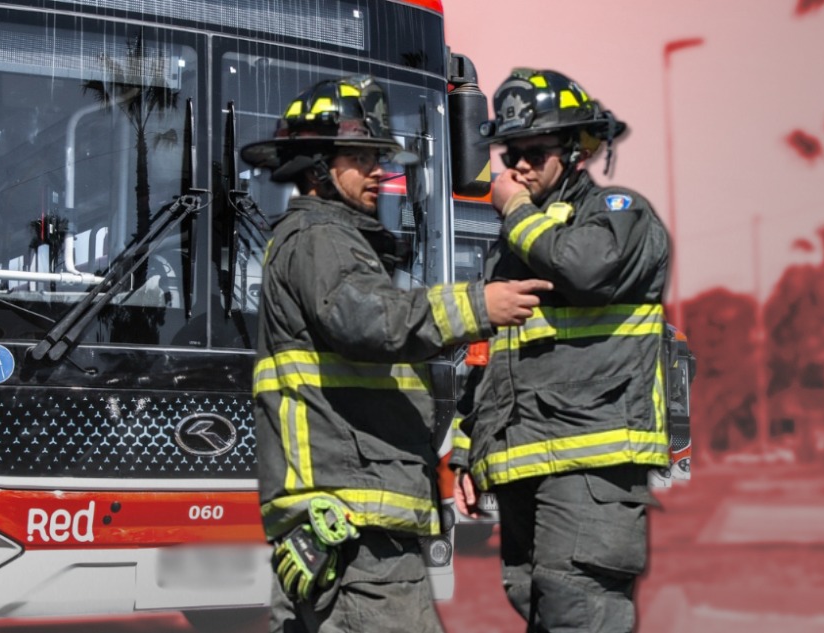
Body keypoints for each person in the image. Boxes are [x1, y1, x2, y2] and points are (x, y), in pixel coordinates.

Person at [240, 74, 553, 633]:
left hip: (334, 528)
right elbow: (369, 320)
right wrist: (480, 306)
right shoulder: (321, 239)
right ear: (316, 167)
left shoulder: (313, 240)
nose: (380, 172)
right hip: (361, 532)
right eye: (361, 157)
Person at [449, 67, 671, 632]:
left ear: (576, 150)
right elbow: (492, 357)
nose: (518, 167)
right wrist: (469, 454)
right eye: (509, 153)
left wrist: (515, 213)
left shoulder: (618, 215)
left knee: (578, 611)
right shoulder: (522, 246)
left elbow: (585, 271)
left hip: (590, 471)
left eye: (534, 152)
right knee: (537, 604)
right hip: (526, 466)